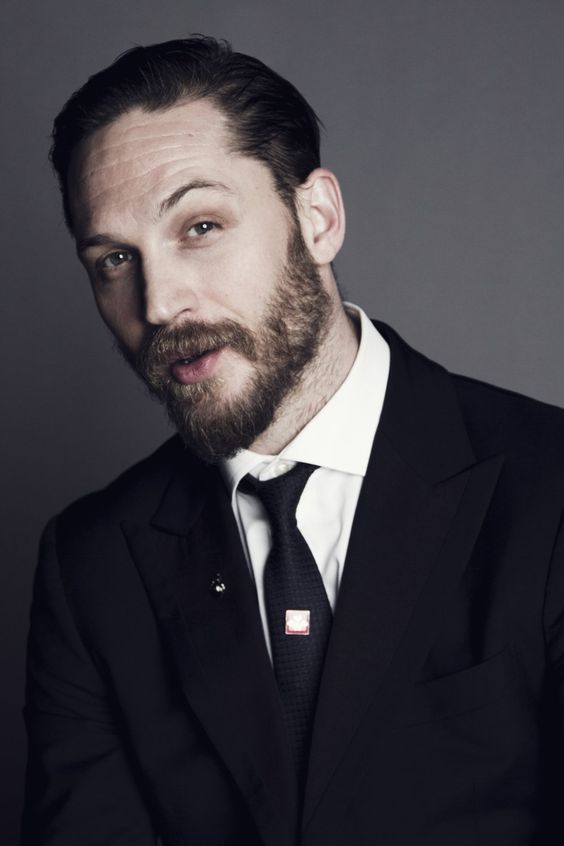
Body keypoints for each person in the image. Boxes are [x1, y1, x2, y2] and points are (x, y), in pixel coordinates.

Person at [21, 35, 564, 846]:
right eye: (114, 260)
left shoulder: (548, 486)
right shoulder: (91, 565)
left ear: (318, 219)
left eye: (200, 226)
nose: (159, 302)